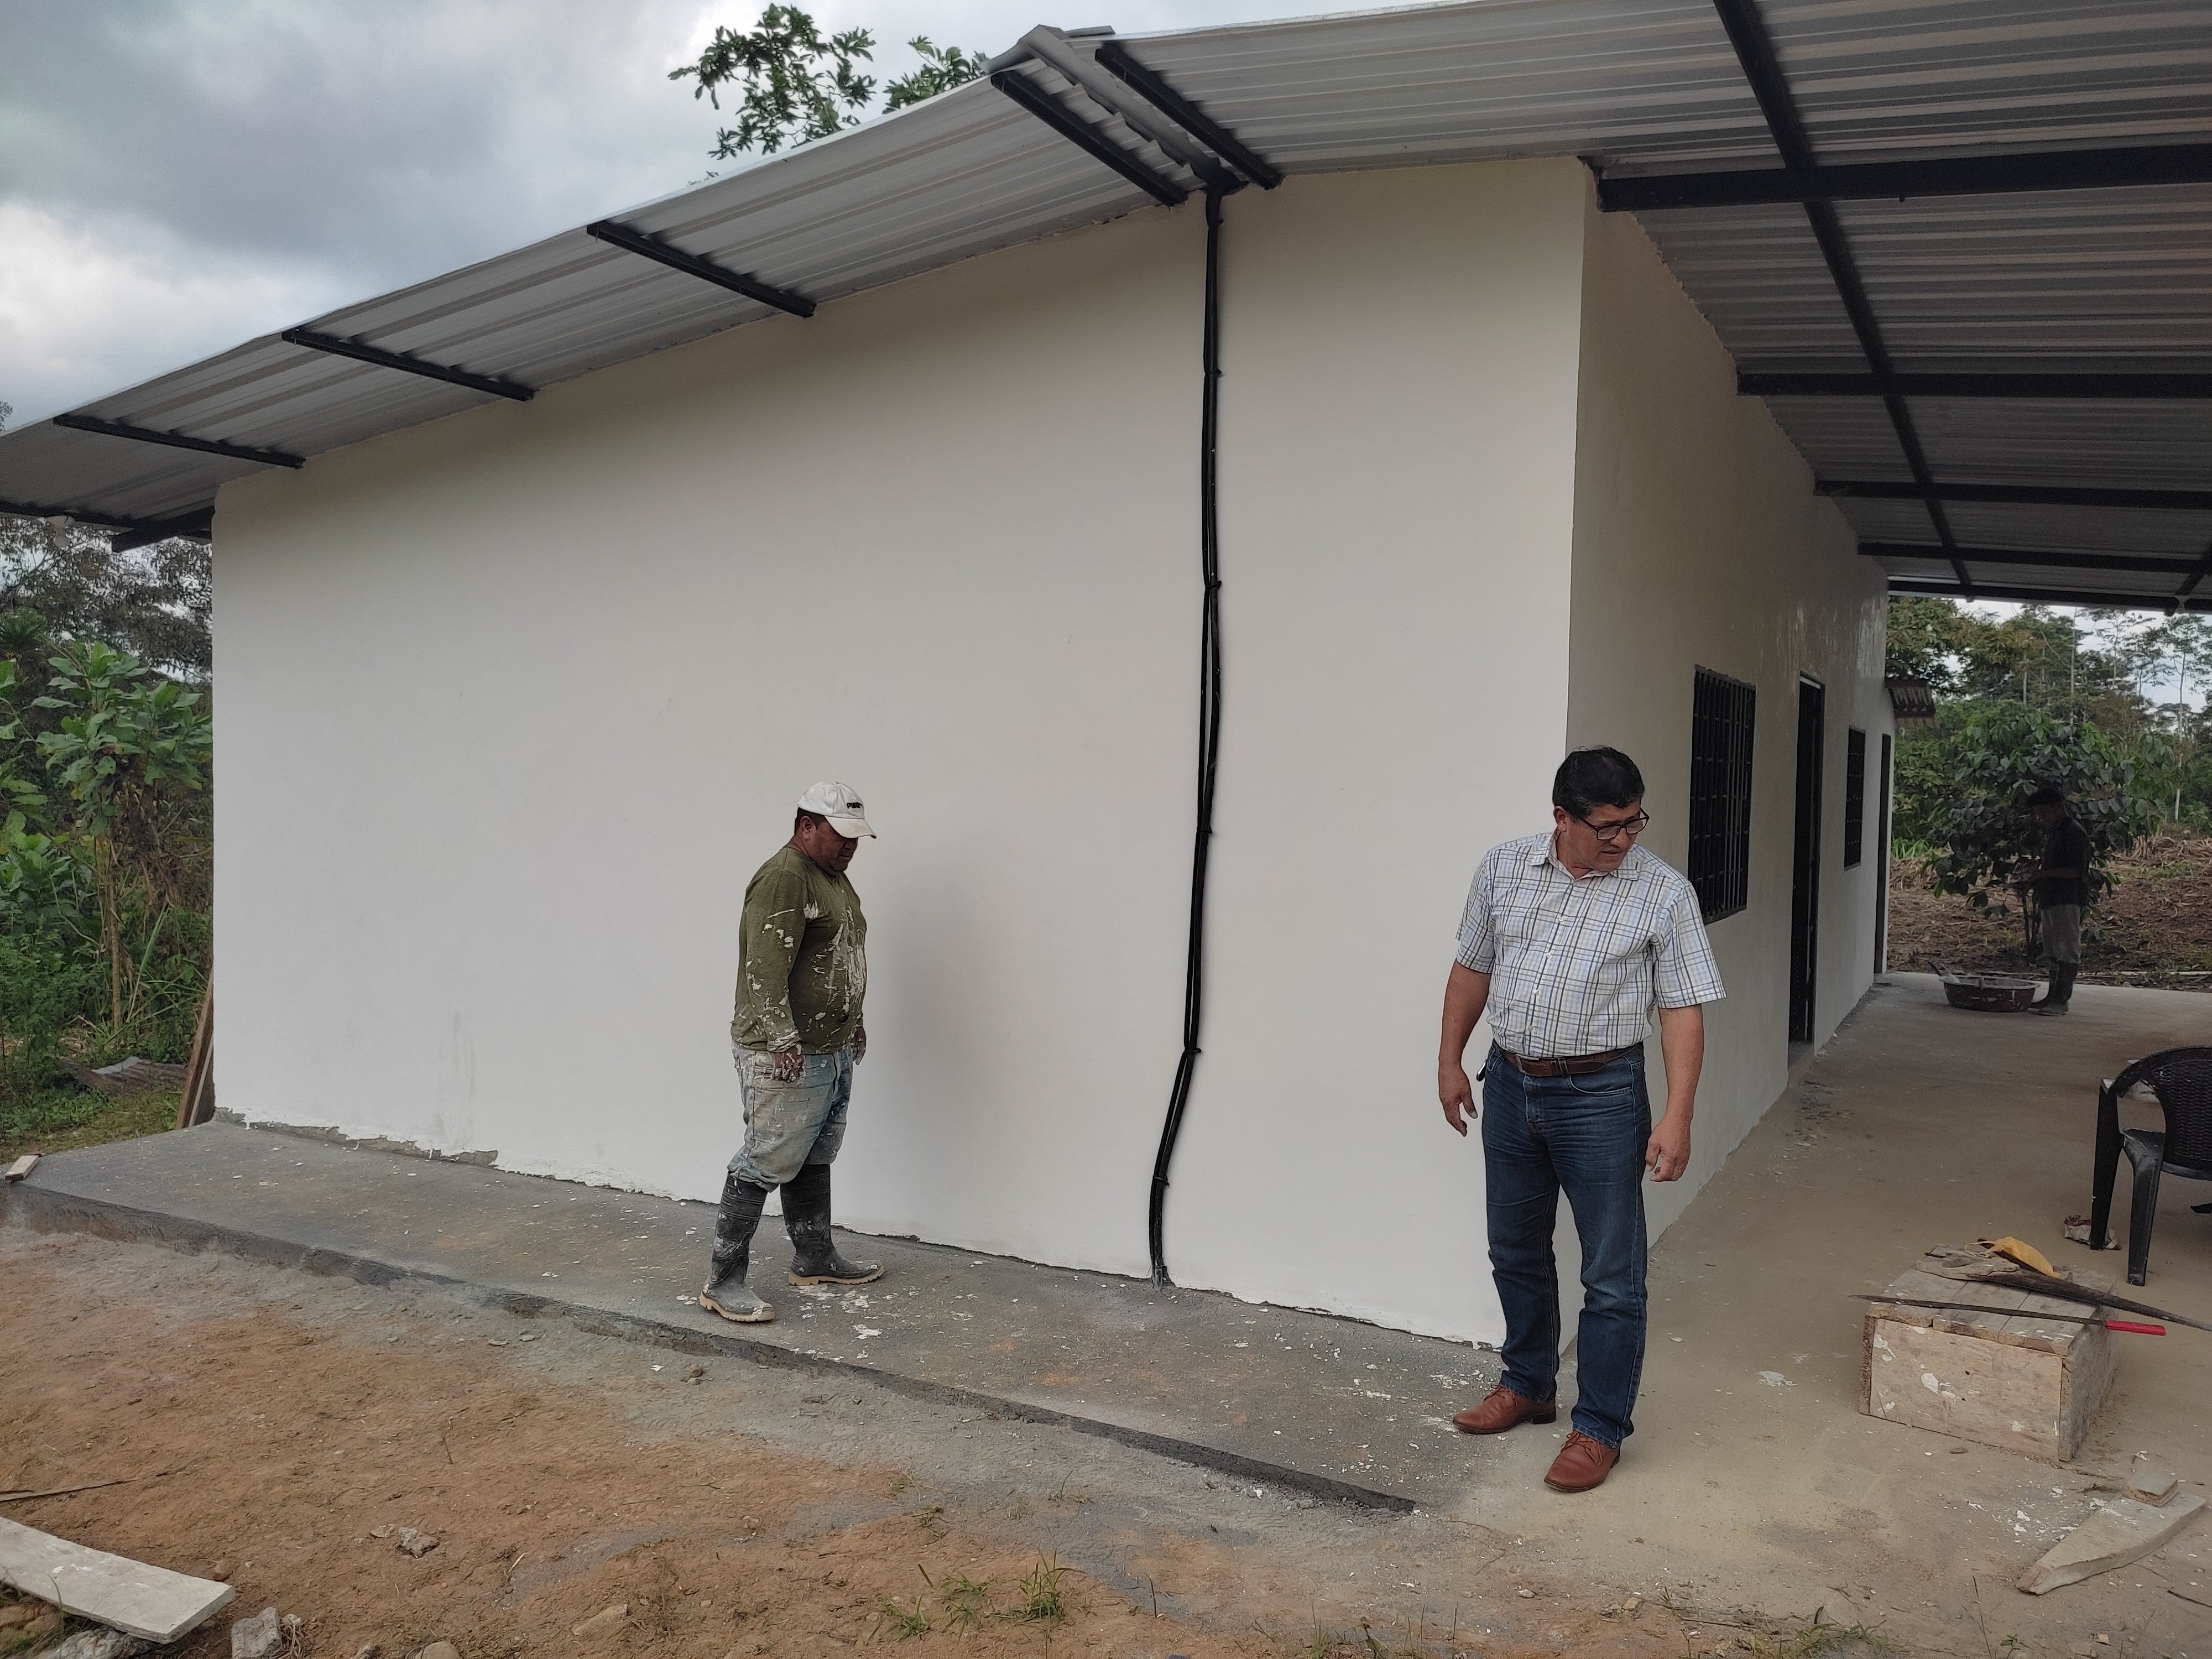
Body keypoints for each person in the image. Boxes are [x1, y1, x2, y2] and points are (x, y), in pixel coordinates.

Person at [1436, 747, 1725, 1494]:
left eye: (1634, 822)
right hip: (1510, 1084)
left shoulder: (1663, 893)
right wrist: (1449, 1061)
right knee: (1515, 1250)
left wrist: (1678, 1116)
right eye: (1607, 827)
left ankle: (1598, 1427)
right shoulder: (1503, 868)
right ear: (1561, 817)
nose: (1623, 840)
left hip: (1602, 1097)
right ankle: (1527, 1384)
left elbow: (1682, 1009)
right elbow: (1473, 966)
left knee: (1613, 1275)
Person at [700, 781, 885, 1324]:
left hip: (828, 1048)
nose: (850, 846)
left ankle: (814, 1257)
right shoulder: (785, 878)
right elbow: (763, 967)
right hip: (788, 1052)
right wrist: (782, 1039)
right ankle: (723, 1282)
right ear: (806, 826)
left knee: (813, 1154)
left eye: (856, 838)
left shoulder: (832, 878)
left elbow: (840, 954)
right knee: (766, 1159)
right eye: (840, 835)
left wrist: (853, 1022)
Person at [2019, 785, 2093, 1017]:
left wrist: (2041, 875)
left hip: (2067, 898)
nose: (2041, 817)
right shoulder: (2057, 832)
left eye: (2044, 812)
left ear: (2057, 807)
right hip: (2052, 898)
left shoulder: (2074, 833)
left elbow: (2075, 871)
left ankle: (2061, 1000)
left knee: (2067, 950)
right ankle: (2052, 996)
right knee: (2053, 949)